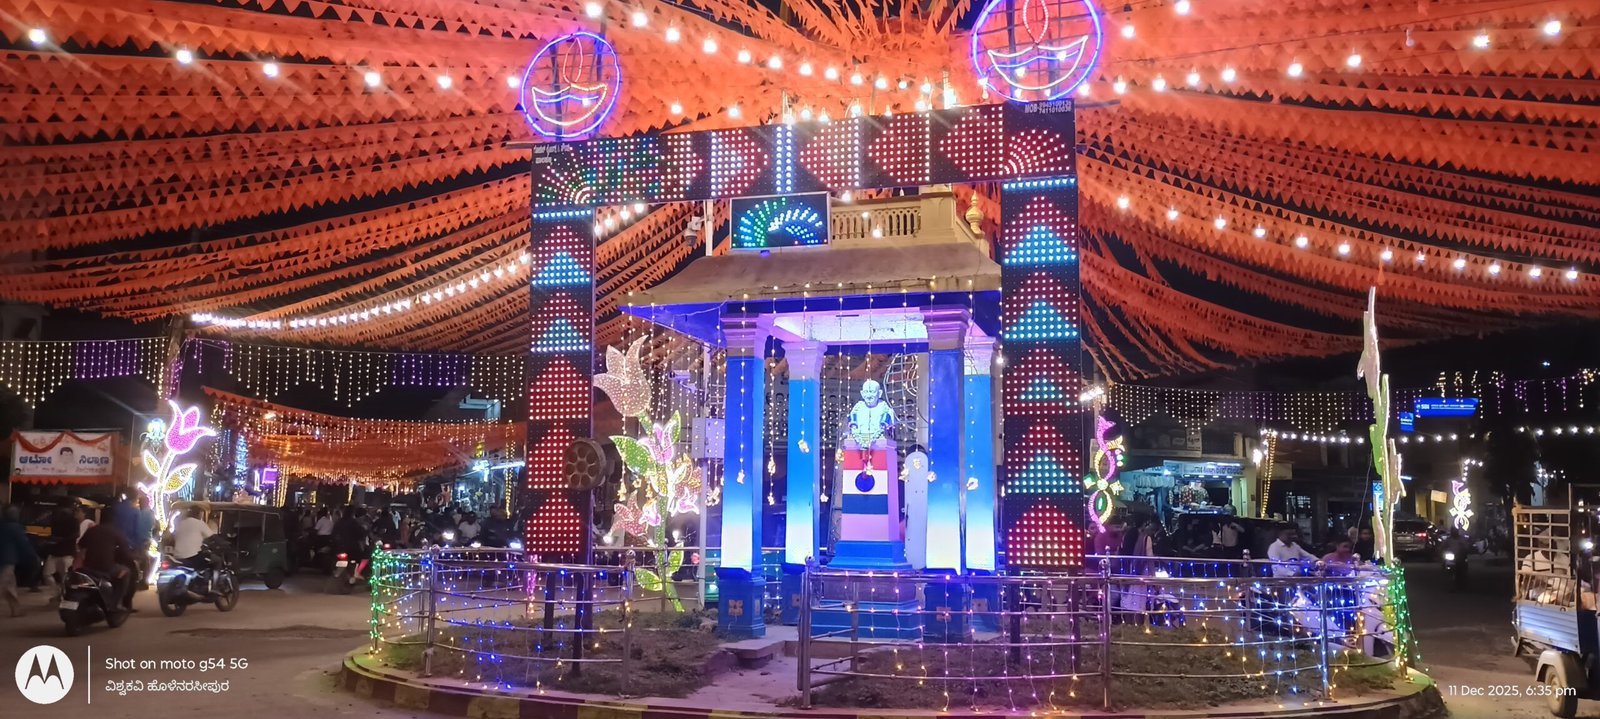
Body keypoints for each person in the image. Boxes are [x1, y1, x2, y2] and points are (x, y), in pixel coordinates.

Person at [78, 510, 139, 612]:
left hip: (88, 567)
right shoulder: (115, 532)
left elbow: (81, 544)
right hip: (106, 568)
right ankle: (116, 604)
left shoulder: (92, 530)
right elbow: (125, 551)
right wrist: (133, 556)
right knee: (126, 572)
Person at [0, 506, 40, 617]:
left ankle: (16, 610)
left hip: (5, 560)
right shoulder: (15, 528)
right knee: (4, 585)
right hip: (7, 561)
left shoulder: (3, 526)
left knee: (9, 586)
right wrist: (33, 557)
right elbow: (24, 544)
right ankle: (16, 610)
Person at [44, 506, 80, 601]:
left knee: (62, 576)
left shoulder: (72, 521)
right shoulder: (58, 521)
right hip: (59, 552)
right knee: (50, 574)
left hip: (64, 552)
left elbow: (76, 534)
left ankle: (62, 595)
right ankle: (59, 594)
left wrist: (60, 540)